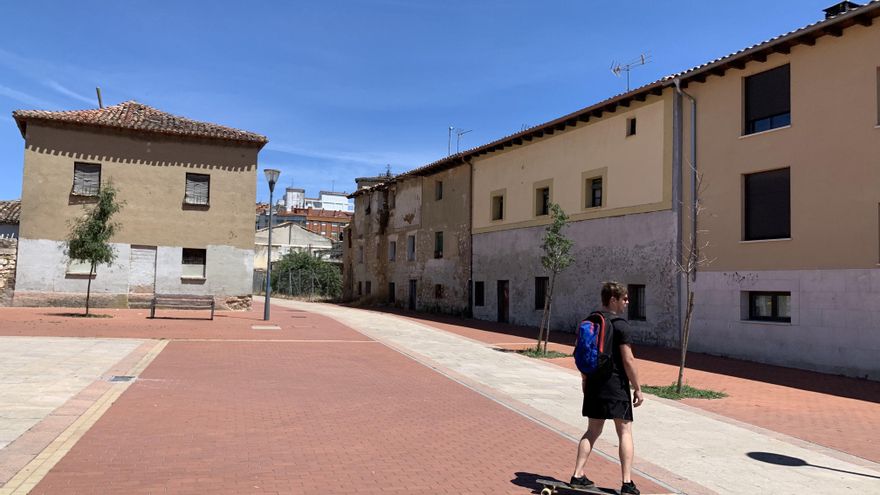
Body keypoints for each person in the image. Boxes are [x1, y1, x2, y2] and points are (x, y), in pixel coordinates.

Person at [570, 281, 644, 495]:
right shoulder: (620, 325)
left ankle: (577, 474)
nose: (628, 302)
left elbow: (580, 353)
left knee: (592, 430)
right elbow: (628, 359)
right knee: (625, 431)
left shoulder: (591, 320)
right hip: (615, 387)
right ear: (613, 299)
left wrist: (585, 380)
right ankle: (627, 483)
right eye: (625, 298)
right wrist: (638, 388)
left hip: (594, 384)